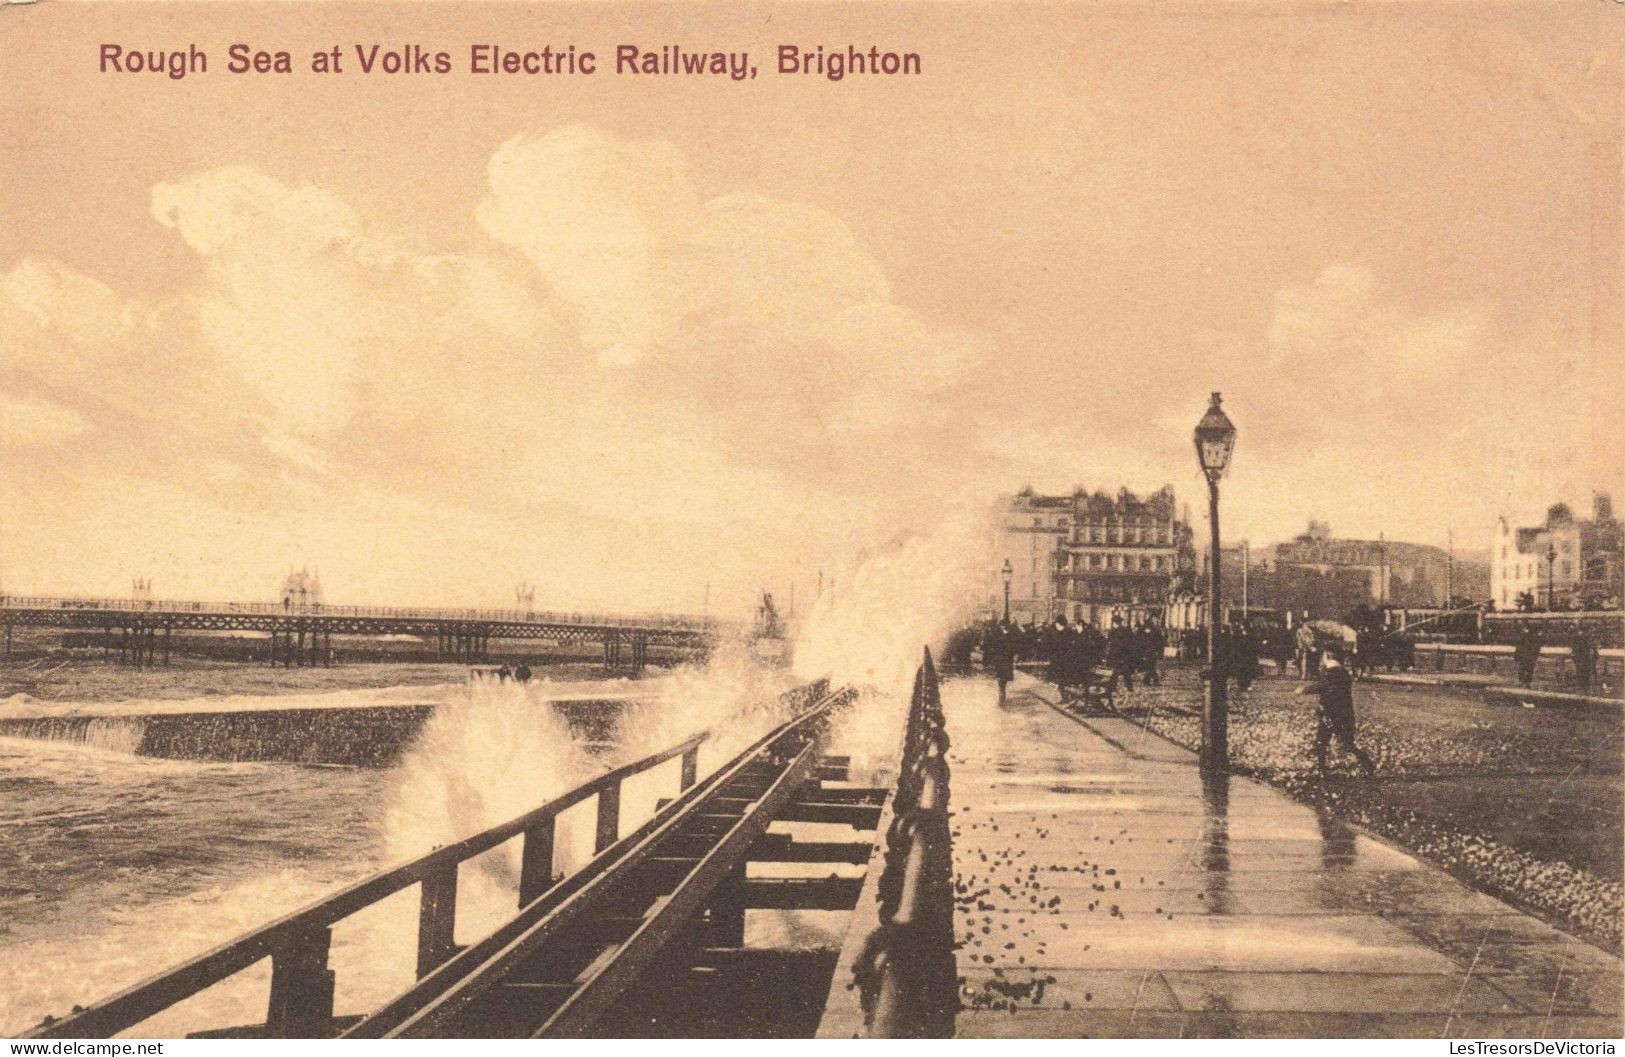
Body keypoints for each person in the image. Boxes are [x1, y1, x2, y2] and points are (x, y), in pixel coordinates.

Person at [1298, 647, 1375, 775]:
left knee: (1322, 742)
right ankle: (1367, 765)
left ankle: (1321, 769)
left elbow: (1323, 686)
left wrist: (1305, 689)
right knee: (1345, 744)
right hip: (1343, 714)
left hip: (1331, 714)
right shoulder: (1341, 672)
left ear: (1327, 656)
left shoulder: (1331, 672)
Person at [984, 621, 1016, 703]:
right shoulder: (997, 635)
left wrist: (1014, 654)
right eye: (1003, 626)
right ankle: (1001, 690)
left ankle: (1002, 689)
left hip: (1008, 658)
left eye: (1005, 626)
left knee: (1005, 676)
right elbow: (993, 646)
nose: (1004, 627)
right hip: (1000, 659)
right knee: (1001, 675)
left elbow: (1014, 646)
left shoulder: (1011, 635)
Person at [1106, 618, 1136, 694]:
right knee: (1123, 672)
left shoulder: (1118, 632)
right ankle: (1128, 687)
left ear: (1115, 623)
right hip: (1122, 656)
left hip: (1119, 656)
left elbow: (1119, 645)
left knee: (1118, 672)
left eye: (1113, 623)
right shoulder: (1121, 630)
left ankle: (1113, 687)